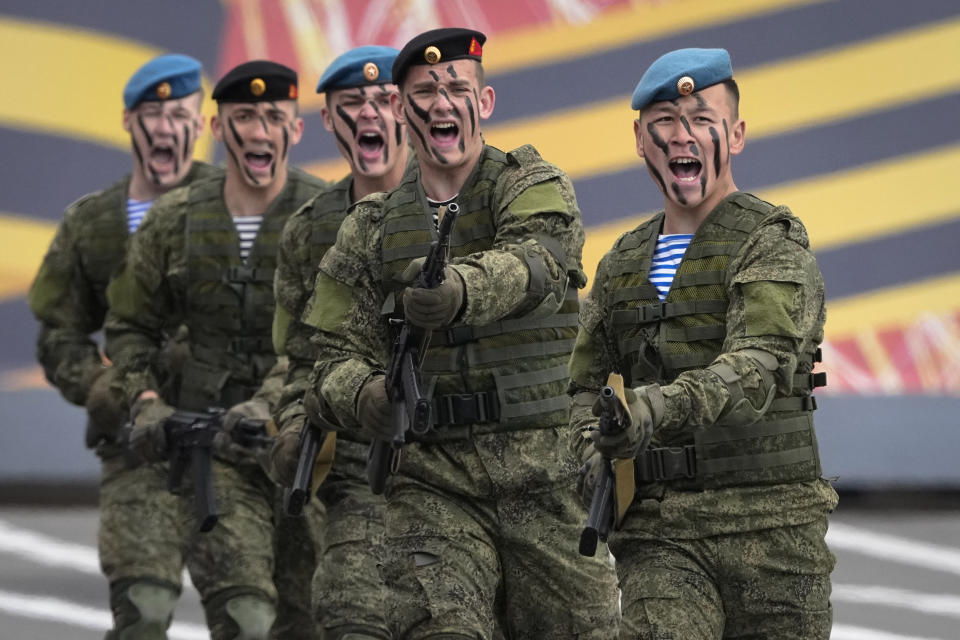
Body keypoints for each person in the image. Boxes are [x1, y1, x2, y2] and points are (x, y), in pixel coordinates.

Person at [299, 28, 620, 639]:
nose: (442, 102)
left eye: (457, 88)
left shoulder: (529, 185)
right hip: (431, 483)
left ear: (485, 101)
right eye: (425, 90)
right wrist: (367, 396)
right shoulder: (369, 231)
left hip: (547, 479)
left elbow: (542, 261)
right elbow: (329, 363)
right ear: (399, 108)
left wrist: (458, 292)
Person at [568, 48, 837, 639]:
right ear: (640, 139)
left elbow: (757, 367)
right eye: (664, 121)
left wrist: (652, 409)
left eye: (700, 119)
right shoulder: (620, 265)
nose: (681, 136)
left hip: (775, 535)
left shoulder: (772, 243)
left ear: (735, 134)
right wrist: (589, 451)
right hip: (661, 535)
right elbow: (580, 393)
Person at [103, 60, 327, 640]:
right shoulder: (174, 220)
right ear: (218, 126)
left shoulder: (328, 220)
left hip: (306, 454)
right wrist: (147, 400)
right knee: (247, 619)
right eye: (243, 117)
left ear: (295, 130)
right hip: (215, 452)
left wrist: (274, 403)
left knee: (310, 624)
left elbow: (328, 340)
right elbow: (128, 325)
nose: (258, 131)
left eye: (273, 117)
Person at [27, 53, 222, 639]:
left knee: (258, 617)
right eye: (153, 113)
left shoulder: (239, 207)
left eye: (180, 113)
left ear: (201, 122)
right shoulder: (92, 224)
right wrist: (101, 388)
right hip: (137, 447)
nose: (166, 127)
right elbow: (57, 330)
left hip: (231, 445)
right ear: (128, 122)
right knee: (143, 614)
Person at [266, 45, 409, 640]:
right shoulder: (310, 228)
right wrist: (293, 424)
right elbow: (298, 357)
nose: (370, 115)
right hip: (356, 464)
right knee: (350, 616)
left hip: (457, 459)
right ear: (328, 120)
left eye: (385, 101)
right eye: (353, 104)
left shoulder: (460, 206)